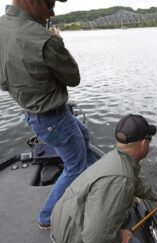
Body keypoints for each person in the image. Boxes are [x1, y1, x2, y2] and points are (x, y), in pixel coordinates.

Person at [50, 114, 157, 243]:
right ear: (144, 144)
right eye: (149, 140)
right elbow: (95, 240)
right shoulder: (121, 180)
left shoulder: (117, 159)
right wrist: (119, 238)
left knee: (124, 216)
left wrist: (156, 197)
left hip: (67, 220)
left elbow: (135, 184)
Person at [0, 0, 96, 229]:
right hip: (54, 118)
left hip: (34, 115)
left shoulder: (2, 27)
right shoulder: (45, 39)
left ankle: (95, 183)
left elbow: (4, 83)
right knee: (74, 167)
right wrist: (58, 40)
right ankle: (47, 216)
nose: (52, 11)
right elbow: (73, 78)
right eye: (49, 3)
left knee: (83, 135)